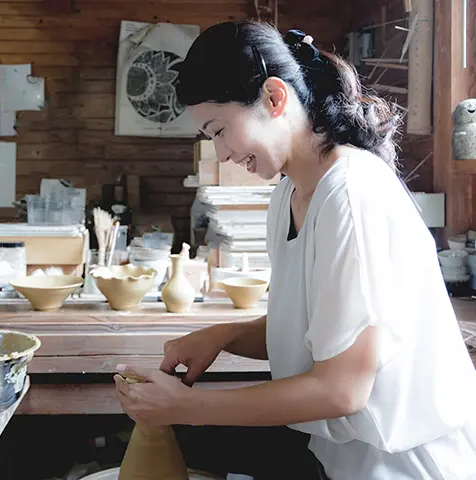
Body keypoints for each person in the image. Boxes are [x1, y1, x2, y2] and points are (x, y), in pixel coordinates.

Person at [113, 21, 476, 479]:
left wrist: (187, 407)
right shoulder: (289, 193)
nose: (221, 153)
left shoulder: (350, 192)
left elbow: (342, 389)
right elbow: (321, 329)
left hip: (411, 466)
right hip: (344, 460)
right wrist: (222, 337)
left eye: (220, 129)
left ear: (274, 97)